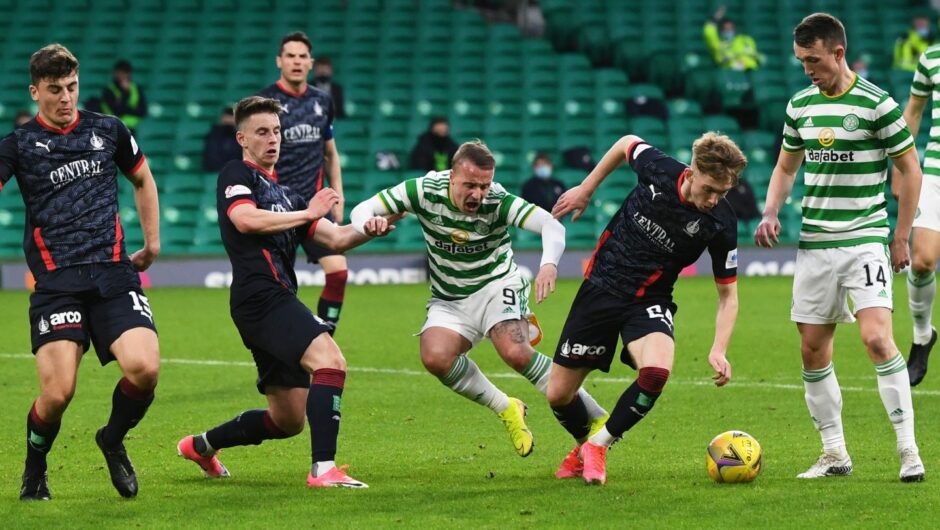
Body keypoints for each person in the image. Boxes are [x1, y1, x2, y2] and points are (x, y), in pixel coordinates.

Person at [176, 96, 396, 489]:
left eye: (276, 131)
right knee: (331, 360)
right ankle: (323, 470)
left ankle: (201, 446)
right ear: (242, 138)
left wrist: (377, 224)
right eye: (262, 132)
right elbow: (244, 220)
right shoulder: (236, 174)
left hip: (273, 298)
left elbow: (338, 238)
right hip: (260, 297)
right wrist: (309, 213)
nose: (272, 139)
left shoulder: (290, 195)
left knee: (287, 419)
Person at [350, 140, 608, 458]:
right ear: (451, 177)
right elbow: (363, 208)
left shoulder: (497, 200)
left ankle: (596, 419)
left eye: (484, 185)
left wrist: (549, 263)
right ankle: (507, 407)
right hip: (449, 297)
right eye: (470, 185)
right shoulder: (423, 189)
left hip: (497, 285)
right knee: (435, 357)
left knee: (515, 352)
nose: (478, 194)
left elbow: (550, 224)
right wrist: (368, 223)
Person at [754, 13, 925, 482]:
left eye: (813, 60)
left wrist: (901, 234)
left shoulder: (878, 104)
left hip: (865, 239)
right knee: (812, 350)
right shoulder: (800, 106)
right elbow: (786, 168)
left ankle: (908, 450)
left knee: (876, 337)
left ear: (838, 52)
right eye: (801, 61)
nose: (807, 69)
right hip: (815, 243)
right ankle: (834, 454)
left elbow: (911, 170)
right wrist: (771, 212)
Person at [0, 44, 161, 500]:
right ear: (35, 91)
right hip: (57, 284)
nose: (66, 98)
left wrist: (152, 244)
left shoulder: (108, 129)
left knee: (144, 368)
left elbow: (143, 179)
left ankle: (111, 439)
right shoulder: (18, 145)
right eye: (54, 90)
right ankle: (35, 468)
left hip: (113, 273)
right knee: (57, 395)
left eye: (71, 87)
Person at [547, 132, 744, 485]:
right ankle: (585, 446)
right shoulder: (659, 169)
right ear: (694, 171)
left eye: (723, 193)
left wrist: (719, 348)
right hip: (601, 289)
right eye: (710, 189)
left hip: (650, 301)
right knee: (559, 395)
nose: (714, 199)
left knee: (655, 373)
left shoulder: (721, 223)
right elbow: (626, 142)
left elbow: (728, 295)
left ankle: (599, 446)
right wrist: (587, 188)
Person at [257, 32, 349, 334]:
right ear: (279, 61)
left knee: (338, 273)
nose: (296, 61)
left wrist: (339, 194)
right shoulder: (266, 103)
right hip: (278, 209)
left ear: (310, 63)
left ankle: (327, 335)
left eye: (302, 57)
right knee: (280, 288)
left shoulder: (322, 101)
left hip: (315, 206)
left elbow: (330, 153)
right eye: (290, 56)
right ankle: (278, 352)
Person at [893, 40, 940, 386]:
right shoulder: (932, 57)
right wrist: (901, 165)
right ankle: (923, 335)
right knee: (922, 260)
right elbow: (914, 111)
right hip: (936, 172)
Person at [703, 5, 764, 71]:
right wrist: (715, 18)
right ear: (721, 30)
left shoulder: (745, 40)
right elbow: (708, 33)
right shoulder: (718, 44)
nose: (728, 30)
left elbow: (758, 57)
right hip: (727, 73)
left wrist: (744, 63)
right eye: (725, 29)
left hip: (749, 72)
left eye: (730, 28)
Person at [100, 59, 147, 135]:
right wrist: (125, 93)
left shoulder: (137, 89)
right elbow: (118, 111)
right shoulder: (109, 90)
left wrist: (125, 109)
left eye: (125, 73)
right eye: (120, 73)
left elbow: (143, 111)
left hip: (131, 129)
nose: (122, 76)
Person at [202, 107, 241, 172]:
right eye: (227, 117)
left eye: (231, 117)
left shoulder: (240, 137)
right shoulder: (213, 136)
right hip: (215, 172)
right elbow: (210, 159)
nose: (229, 120)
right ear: (222, 118)